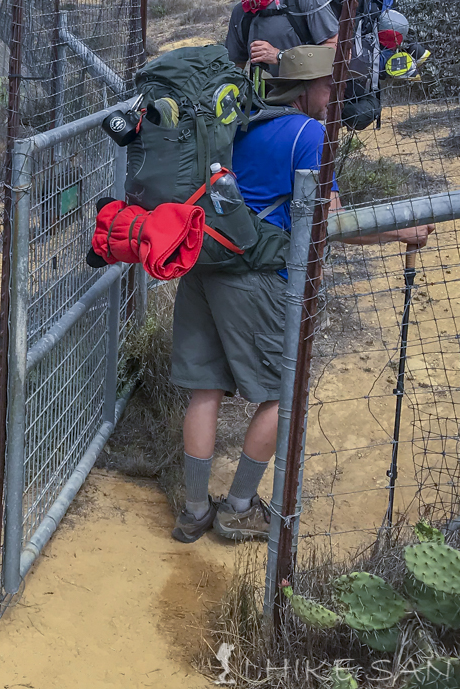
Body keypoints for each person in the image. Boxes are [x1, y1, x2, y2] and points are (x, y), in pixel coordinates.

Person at [170, 45, 434, 543]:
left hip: (204, 264)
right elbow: (328, 225)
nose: (337, 96)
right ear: (307, 88)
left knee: (206, 389)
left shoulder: (239, 123)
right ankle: (239, 508)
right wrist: (400, 234)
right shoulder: (311, 135)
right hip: (258, 279)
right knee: (281, 393)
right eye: (331, 86)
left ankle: (194, 510)